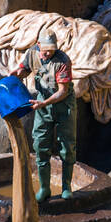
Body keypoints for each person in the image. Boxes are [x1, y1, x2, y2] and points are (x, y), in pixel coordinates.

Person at [13, 29, 76, 201]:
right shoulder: (32, 53)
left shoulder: (63, 61)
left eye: (52, 49)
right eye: (45, 49)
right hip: (42, 103)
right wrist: (17, 74)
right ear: (38, 44)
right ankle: (45, 188)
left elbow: (63, 91)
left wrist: (45, 103)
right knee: (40, 144)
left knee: (67, 146)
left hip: (63, 105)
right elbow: (24, 69)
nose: (48, 52)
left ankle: (66, 187)